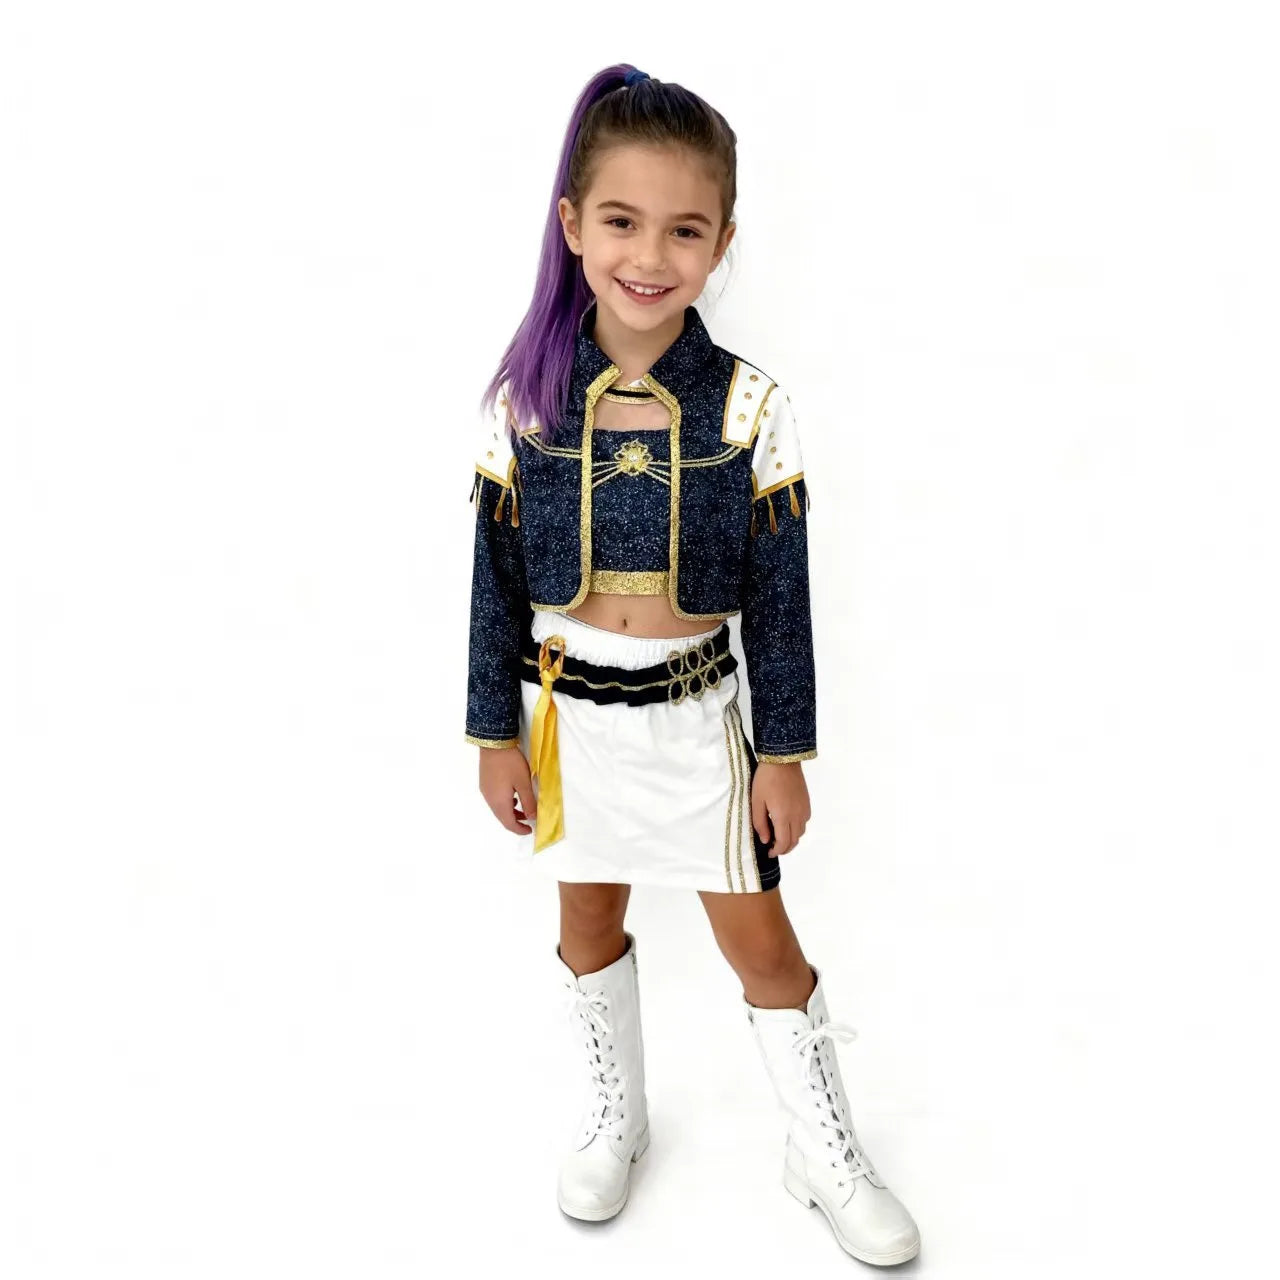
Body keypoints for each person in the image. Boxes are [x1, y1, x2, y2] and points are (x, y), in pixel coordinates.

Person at [463, 64, 921, 1266]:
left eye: (683, 228)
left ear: (721, 241)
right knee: (586, 916)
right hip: (567, 723)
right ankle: (616, 1116)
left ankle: (821, 1147)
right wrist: (492, 730)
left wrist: (783, 751)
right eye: (621, 220)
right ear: (573, 224)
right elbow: (492, 580)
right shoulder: (526, 404)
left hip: (697, 724)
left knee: (759, 940)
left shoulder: (747, 409)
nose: (649, 254)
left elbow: (781, 596)